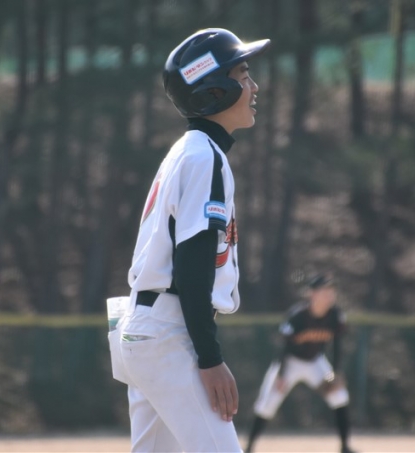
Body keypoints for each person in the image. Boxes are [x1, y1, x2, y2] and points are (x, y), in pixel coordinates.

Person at [109, 28, 270, 452]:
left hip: (146, 327)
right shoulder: (203, 157)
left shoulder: (190, 150)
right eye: (243, 75)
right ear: (214, 91)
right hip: (167, 331)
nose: (254, 86)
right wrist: (210, 357)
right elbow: (193, 264)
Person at [244, 273, 357, 453]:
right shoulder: (298, 316)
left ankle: (345, 447)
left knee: (340, 396)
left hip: (315, 362)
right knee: (267, 405)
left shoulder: (335, 315)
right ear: (312, 294)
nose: (330, 294)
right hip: (290, 363)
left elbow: (337, 344)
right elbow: (283, 346)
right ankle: (249, 448)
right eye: (325, 290)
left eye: (331, 290)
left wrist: (336, 372)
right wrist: (281, 375)